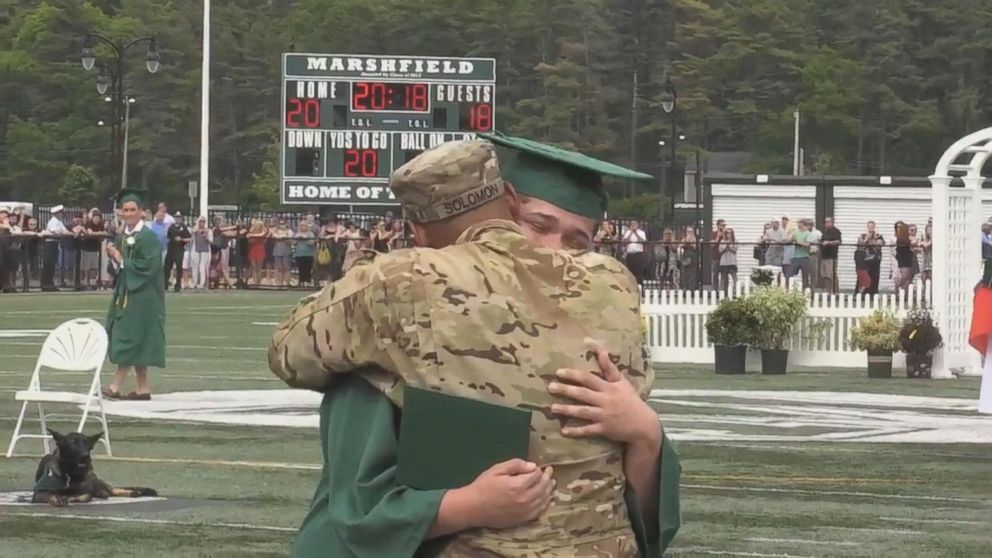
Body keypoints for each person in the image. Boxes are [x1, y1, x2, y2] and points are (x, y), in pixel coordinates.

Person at [272, 138, 678, 557]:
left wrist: (645, 433)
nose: (555, 252)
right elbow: (360, 507)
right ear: (506, 208)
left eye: (578, 243)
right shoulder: (398, 322)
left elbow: (638, 518)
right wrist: (464, 507)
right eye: (539, 226)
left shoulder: (595, 321)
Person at [103, 189, 166, 401]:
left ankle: (115, 385)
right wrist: (113, 258)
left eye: (133, 210)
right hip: (126, 291)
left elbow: (148, 267)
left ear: (142, 213)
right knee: (136, 338)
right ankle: (142, 387)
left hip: (143, 295)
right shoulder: (123, 236)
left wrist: (121, 258)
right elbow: (120, 268)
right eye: (125, 210)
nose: (129, 213)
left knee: (130, 336)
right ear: (120, 213)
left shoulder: (148, 237)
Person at [41, 205, 68, 291]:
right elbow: (54, 231)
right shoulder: (53, 221)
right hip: (49, 244)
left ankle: (50, 284)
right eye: (60, 213)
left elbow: (65, 230)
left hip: (55, 244)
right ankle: (45, 284)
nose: (62, 215)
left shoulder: (59, 222)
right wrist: (62, 232)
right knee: (48, 264)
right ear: (57, 213)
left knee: (52, 265)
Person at [165, 213, 191, 293]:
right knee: (167, 268)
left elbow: (189, 238)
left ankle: (178, 286)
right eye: (176, 218)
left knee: (179, 269)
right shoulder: (171, 227)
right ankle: (165, 285)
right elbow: (168, 236)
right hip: (171, 249)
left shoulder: (184, 227)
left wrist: (182, 239)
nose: (177, 219)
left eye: (179, 218)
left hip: (179, 250)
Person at [191, 216, 212, 289]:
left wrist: (205, 236)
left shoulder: (208, 230)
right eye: (200, 221)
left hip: (205, 250)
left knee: (202, 267)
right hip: (196, 249)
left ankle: (202, 283)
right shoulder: (195, 230)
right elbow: (192, 235)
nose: (202, 223)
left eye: (203, 221)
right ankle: (195, 283)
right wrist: (197, 229)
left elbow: (210, 241)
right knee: (195, 266)